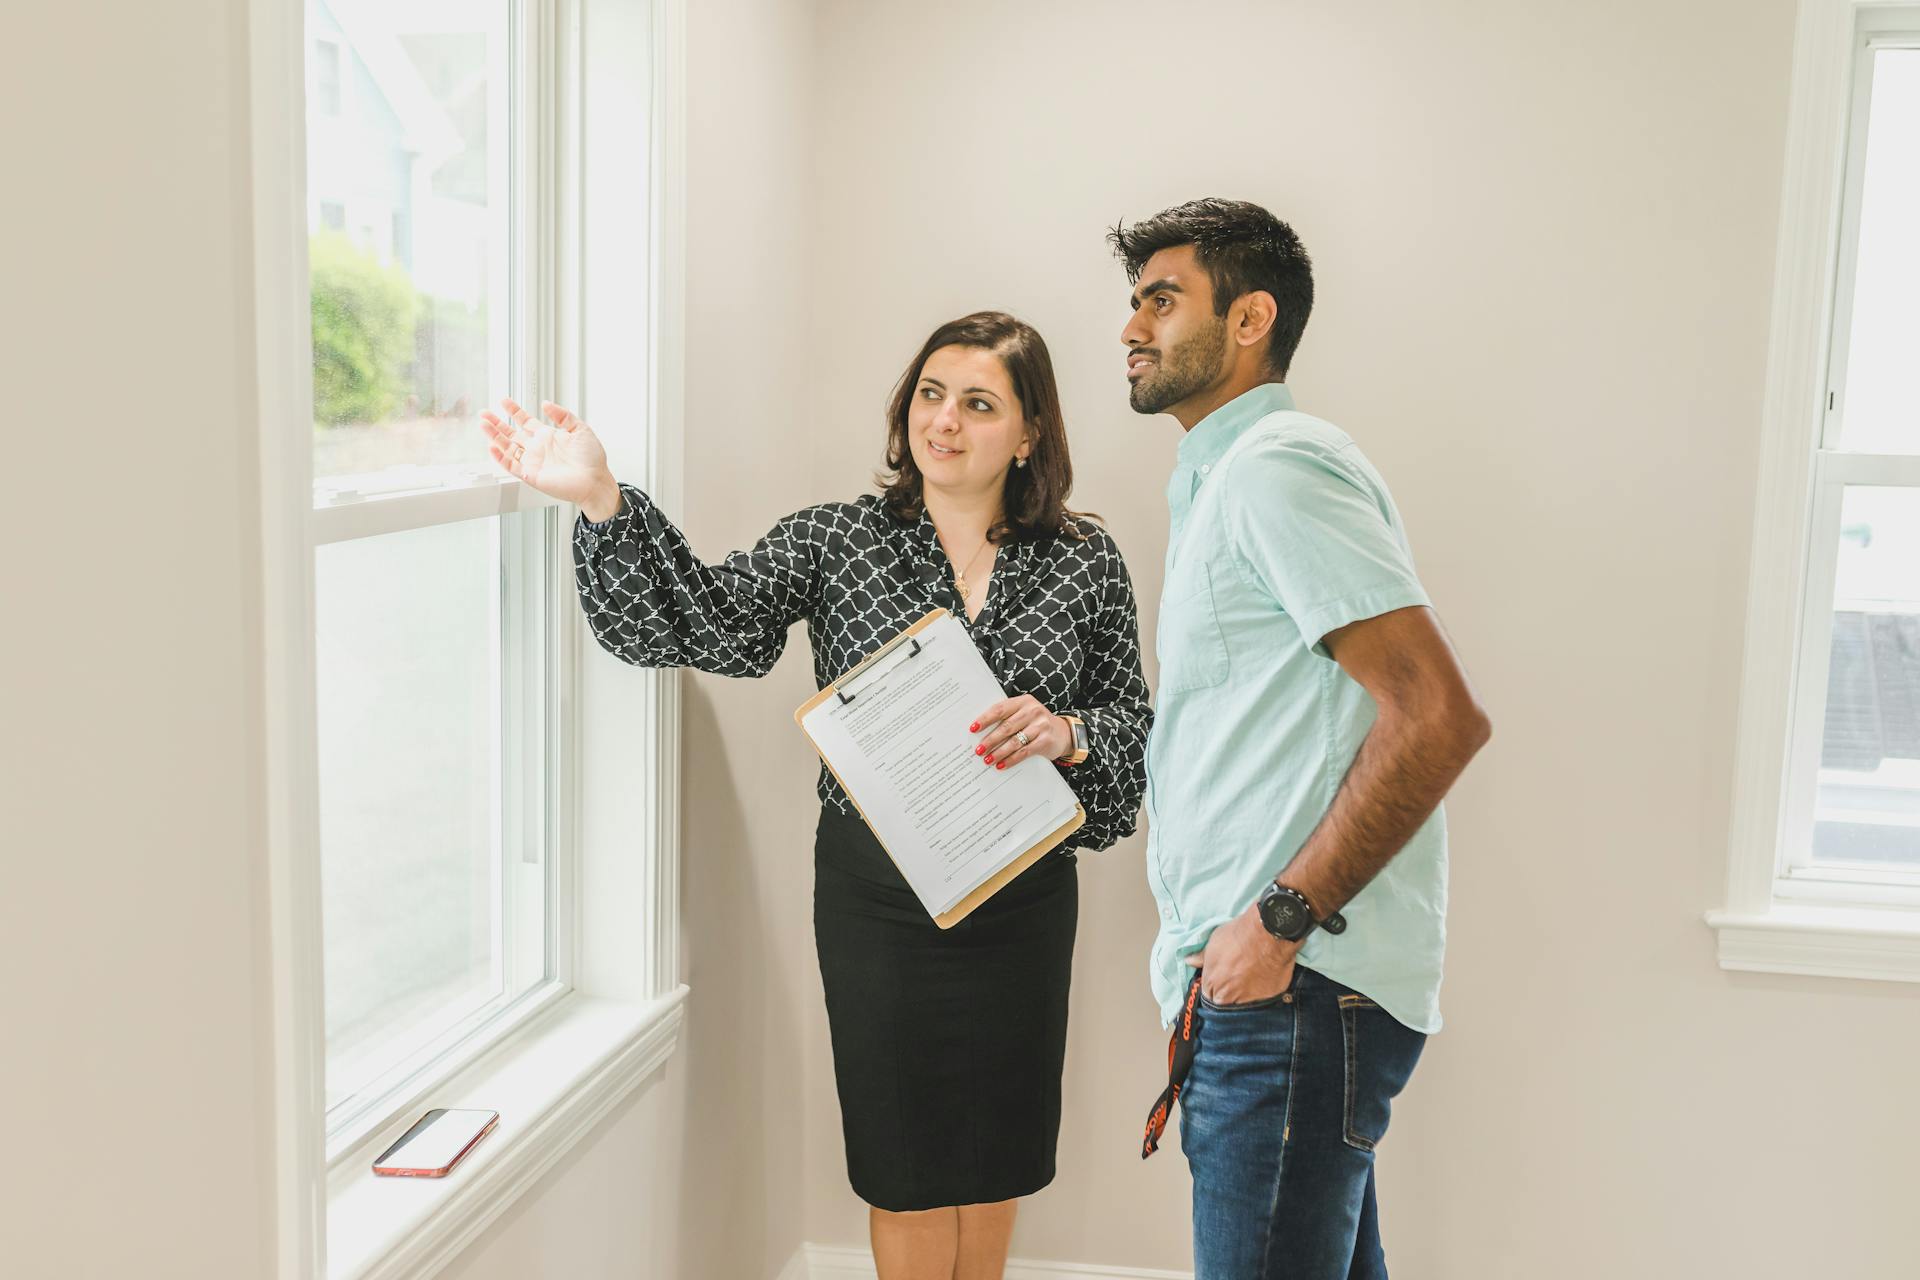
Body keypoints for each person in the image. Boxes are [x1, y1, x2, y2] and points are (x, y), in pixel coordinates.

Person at [481, 311, 1151, 1280]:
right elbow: (707, 624)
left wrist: (1069, 732)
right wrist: (602, 499)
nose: (945, 422)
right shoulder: (838, 540)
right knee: (906, 1160)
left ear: (1031, 429)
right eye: (930, 394)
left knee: (993, 1149)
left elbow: (1133, 719)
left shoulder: (1085, 560)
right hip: (878, 902)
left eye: (978, 402)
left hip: (1021, 898)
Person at [1112, 198, 1491, 1279]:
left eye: (1161, 299)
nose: (1131, 328)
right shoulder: (1218, 479)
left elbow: (1437, 715)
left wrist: (1277, 921)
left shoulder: (1278, 465)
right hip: (1263, 988)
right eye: (1132, 303)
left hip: (1292, 989)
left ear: (1250, 319)